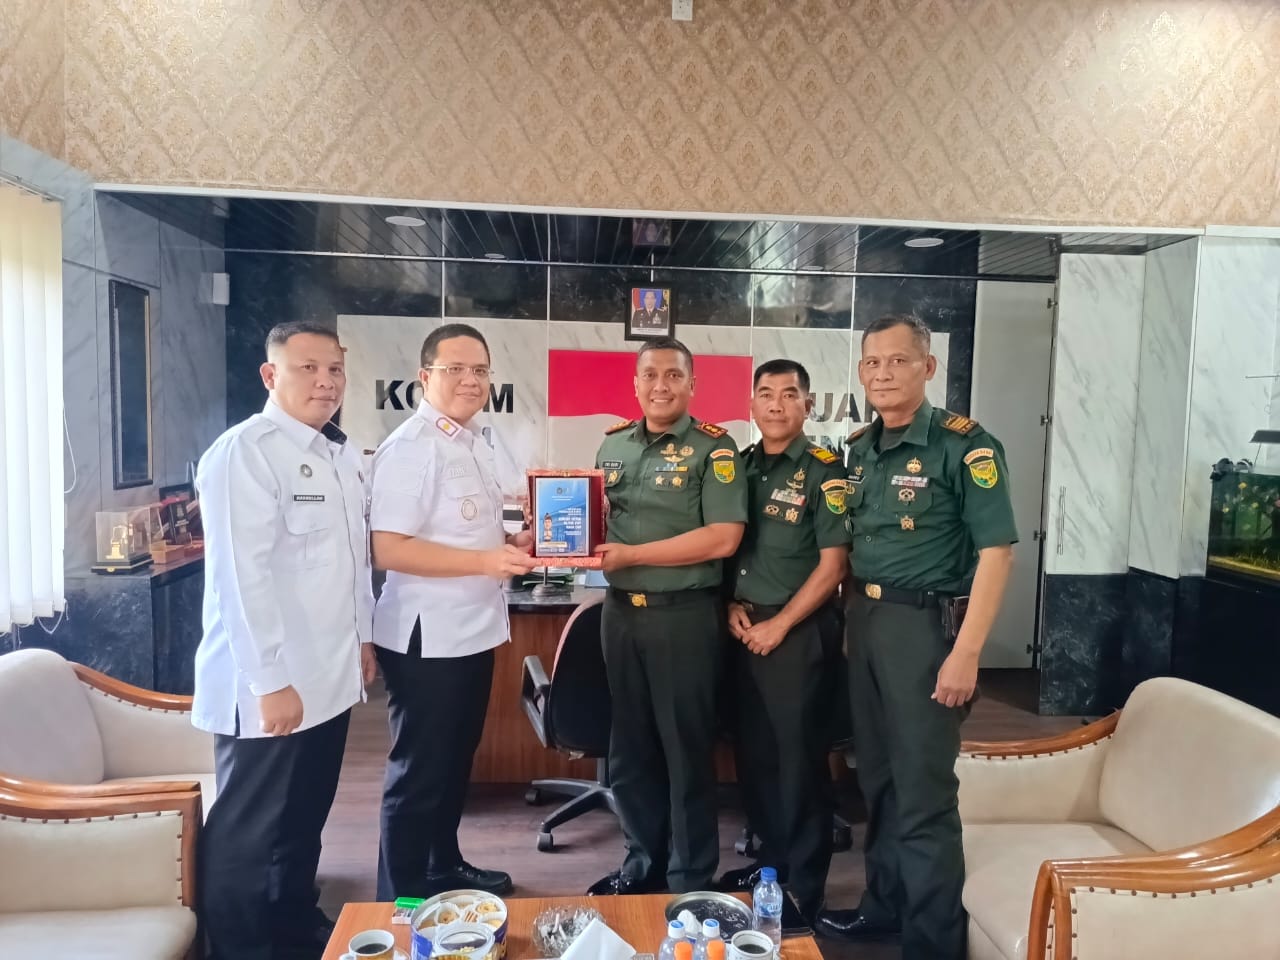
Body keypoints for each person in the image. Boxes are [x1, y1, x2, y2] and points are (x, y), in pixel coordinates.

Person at [816, 315, 1017, 960]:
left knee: (924, 792)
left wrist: (967, 653)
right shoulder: (860, 448)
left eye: (898, 361)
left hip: (927, 631)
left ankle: (932, 943)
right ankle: (885, 908)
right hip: (868, 625)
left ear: (927, 368)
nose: (883, 374)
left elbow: (997, 554)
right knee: (876, 779)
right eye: (872, 363)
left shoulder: (965, 447)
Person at [193, 320, 377, 960]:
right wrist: (269, 681)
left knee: (303, 819)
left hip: (328, 676)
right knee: (249, 832)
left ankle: (294, 926)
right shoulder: (244, 452)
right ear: (271, 375)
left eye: (335, 369)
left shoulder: (338, 454)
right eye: (309, 368)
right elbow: (242, 580)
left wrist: (363, 640)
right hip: (270, 685)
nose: (326, 382)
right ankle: (240, 947)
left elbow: (350, 563)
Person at [369, 322, 536, 900]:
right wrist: (486, 561)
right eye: (455, 369)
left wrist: (509, 547)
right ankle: (402, 900)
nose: (470, 380)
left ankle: (443, 866)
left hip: (471, 632)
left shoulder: (471, 440)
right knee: (419, 773)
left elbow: (463, 534)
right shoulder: (412, 447)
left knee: (453, 763)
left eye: (480, 370)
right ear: (425, 376)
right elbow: (389, 549)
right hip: (427, 639)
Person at [587, 336, 748, 895]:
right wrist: (549, 533)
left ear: (692, 384)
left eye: (674, 375)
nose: (661, 386)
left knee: (685, 748)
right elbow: (596, 522)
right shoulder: (612, 446)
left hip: (684, 615)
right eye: (650, 375)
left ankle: (689, 876)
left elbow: (723, 538)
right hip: (620, 615)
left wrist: (633, 555)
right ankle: (642, 864)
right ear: (635, 384)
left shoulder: (715, 449)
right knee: (630, 748)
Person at [718, 359, 850, 924]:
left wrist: (782, 624)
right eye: (766, 394)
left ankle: (805, 886)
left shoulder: (825, 472)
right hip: (744, 629)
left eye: (789, 394)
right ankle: (770, 864)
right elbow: (729, 547)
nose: (776, 404)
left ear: (808, 405)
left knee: (798, 762)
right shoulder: (739, 467)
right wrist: (729, 605)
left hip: (796, 633)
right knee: (756, 757)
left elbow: (834, 565)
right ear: (751, 404)